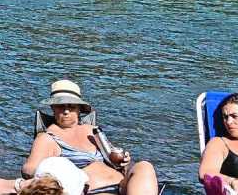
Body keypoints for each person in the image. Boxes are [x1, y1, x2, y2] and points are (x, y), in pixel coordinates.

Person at [23, 80, 158, 195]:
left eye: (71, 106)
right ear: (52, 107)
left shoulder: (91, 130)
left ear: (79, 108)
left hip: (122, 184)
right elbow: (29, 169)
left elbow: (115, 159)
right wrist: (57, 174)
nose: (66, 111)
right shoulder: (47, 138)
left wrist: (125, 162)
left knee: (144, 166)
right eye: (60, 106)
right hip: (92, 191)